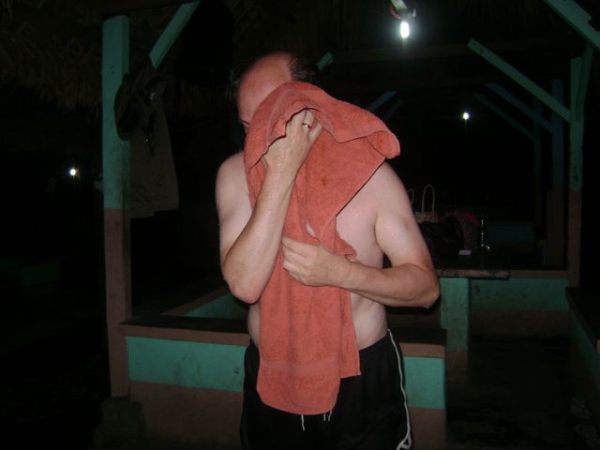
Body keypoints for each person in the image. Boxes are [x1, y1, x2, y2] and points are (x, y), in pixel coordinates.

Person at [216, 52, 439, 450]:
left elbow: (425, 288)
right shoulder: (234, 175)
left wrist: (341, 273)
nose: (258, 138)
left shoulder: (371, 176)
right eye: (249, 125)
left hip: (360, 376)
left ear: (310, 103)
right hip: (271, 373)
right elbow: (245, 285)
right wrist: (280, 174)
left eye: (270, 117)